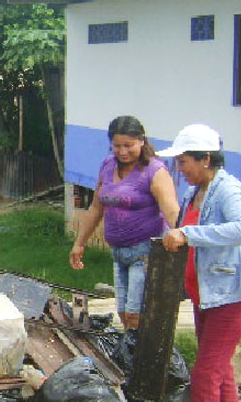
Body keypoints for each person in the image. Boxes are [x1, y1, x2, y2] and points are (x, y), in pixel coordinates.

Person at [150, 124, 241, 402]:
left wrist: (190, 234)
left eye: (184, 161)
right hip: (207, 295)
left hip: (233, 296)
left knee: (205, 374)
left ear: (206, 159)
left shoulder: (229, 190)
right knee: (222, 369)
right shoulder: (195, 191)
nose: (180, 168)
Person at [69, 116, 179, 329]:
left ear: (142, 141)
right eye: (117, 146)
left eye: (128, 146)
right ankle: (131, 352)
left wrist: (184, 237)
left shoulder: (154, 171)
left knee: (135, 315)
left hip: (144, 254)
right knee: (123, 313)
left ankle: (139, 357)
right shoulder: (107, 166)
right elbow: (96, 207)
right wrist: (79, 242)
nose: (122, 151)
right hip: (118, 254)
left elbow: (171, 210)